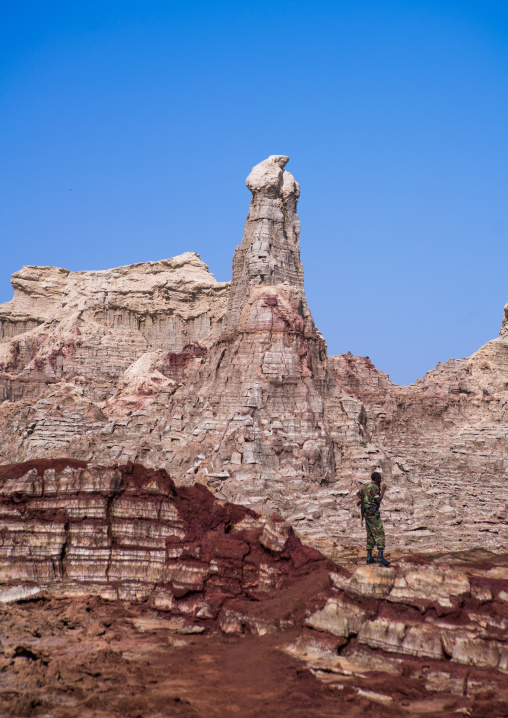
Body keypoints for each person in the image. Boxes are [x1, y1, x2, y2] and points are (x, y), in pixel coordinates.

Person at [357, 471, 390, 567]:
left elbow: (359, 493)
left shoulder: (366, 486)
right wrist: (383, 490)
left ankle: (369, 557)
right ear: (376, 479)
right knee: (379, 533)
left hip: (366, 513)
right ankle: (380, 556)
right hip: (373, 513)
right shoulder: (375, 487)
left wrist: (364, 501)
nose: (380, 479)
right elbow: (378, 500)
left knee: (370, 534)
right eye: (379, 477)